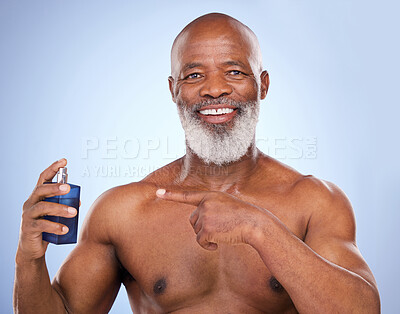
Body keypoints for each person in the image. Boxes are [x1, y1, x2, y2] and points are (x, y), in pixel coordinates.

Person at [14, 13, 380, 313]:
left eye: (234, 72)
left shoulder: (316, 202)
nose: (214, 89)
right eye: (194, 75)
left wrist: (259, 228)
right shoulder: (122, 212)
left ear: (263, 85)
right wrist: (28, 261)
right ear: (173, 90)